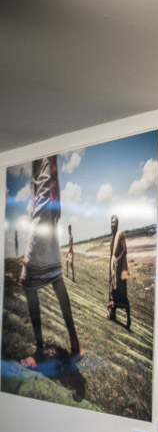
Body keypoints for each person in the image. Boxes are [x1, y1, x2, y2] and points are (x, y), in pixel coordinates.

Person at [19, 156, 82, 369]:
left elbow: (49, 170)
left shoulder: (43, 155)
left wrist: (49, 203)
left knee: (28, 281)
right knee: (55, 277)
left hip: (44, 208)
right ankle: (75, 345)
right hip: (44, 206)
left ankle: (40, 350)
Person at [108, 214, 131, 330]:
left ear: (117, 224)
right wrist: (110, 272)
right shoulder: (112, 239)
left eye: (114, 223)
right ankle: (113, 314)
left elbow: (125, 249)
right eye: (111, 223)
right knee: (113, 292)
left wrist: (117, 260)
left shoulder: (120, 235)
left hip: (120, 270)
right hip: (113, 270)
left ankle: (128, 319)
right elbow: (110, 256)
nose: (112, 225)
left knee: (122, 294)